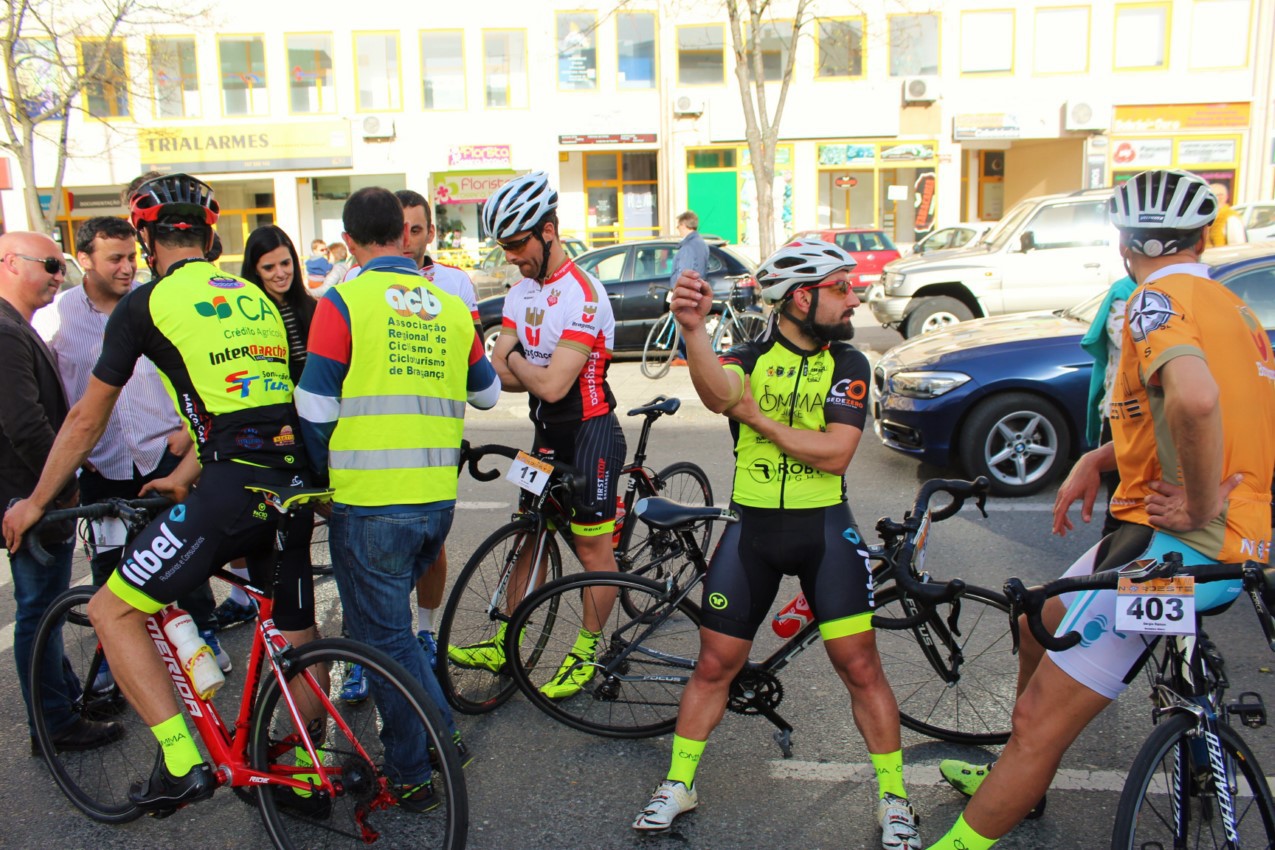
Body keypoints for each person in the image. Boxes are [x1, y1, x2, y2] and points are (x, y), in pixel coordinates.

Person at [929, 169, 1275, 850]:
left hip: (1173, 550)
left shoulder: (1152, 299)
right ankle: (1016, 778)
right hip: (1215, 542)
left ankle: (997, 798)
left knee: (1036, 721)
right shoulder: (1228, 307)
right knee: (1037, 613)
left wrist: (1200, 503)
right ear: (1202, 235)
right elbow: (1213, 413)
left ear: (1124, 244)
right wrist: (1098, 458)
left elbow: (1195, 401)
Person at [3, 173, 321, 814]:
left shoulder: (146, 303)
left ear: (148, 238)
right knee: (298, 637)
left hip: (233, 485)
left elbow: (86, 420)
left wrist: (37, 501)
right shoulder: (254, 297)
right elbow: (240, 402)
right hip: (291, 479)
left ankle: (181, 763)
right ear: (210, 236)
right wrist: (180, 478)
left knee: (110, 611)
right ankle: (304, 776)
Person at [631, 239, 921, 849]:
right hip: (753, 532)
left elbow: (836, 451)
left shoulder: (849, 363)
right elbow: (716, 393)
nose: (854, 297)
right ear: (800, 297)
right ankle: (679, 783)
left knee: (860, 666)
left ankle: (893, 799)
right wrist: (692, 331)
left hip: (823, 530)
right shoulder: (749, 354)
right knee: (715, 664)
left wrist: (760, 419)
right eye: (841, 288)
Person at [296, 187, 499, 806]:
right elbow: (486, 395)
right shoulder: (450, 306)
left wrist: (319, 478)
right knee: (387, 634)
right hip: (435, 500)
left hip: (369, 502)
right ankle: (442, 738)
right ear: (405, 236)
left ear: (350, 242)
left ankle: (415, 772)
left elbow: (313, 407)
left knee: (382, 642)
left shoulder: (344, 301)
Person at [448, 171, 626, 698]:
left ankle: (585, 652)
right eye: (503, 247)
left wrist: (517, 357)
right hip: (545, 435)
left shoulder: (585, 295)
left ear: (549, 230)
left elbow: (546, 382)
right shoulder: (520, 291)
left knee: (593, 554)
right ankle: (505, 636)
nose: (512, 257)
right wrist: (519, 365)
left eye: (517, 244)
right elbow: (498, 377)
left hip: (591, 434)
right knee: (528, 529)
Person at [53, 217, 229, 676]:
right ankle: (117, 660)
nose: (128, 268)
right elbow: (58, 390)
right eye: (115, 259)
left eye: (132, 256)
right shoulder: (60, 313)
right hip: (104, 464)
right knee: (111, 568)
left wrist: (185, 431)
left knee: (184, 560)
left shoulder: (159, 303)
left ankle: (202, 639)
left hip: (165, 456)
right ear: (84, 259)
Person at [0, 230, 125, 757]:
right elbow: (24, 425)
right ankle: (53, 724)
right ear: (9, 263)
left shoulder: (17, 328)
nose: (57, 274)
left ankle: (63, 703)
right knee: (41, 612)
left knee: (44, 608)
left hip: (33, 495)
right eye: (48, 264)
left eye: (59, 266)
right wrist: (65, 487)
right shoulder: (6, 332)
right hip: (31, 497)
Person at [1079, 274, 1136, 537]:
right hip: (1123, 415)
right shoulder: (1124, 293)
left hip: (1156, 420)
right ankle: (1107, 575)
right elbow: (1130, 343)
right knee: (1120, 510)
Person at [668, 210, 708, 365]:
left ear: (684, 225)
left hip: (687, 291)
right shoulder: (701, 243)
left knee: (684, 322)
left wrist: (676, 289)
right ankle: (686, 356)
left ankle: (685, 357)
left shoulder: (688, 246)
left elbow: (683, 271)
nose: (678, 229)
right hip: (697, 289)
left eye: (678, 226)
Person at [1207, 182, 1247, 247]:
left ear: (1225, 197)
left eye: (1220, 195)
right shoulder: (1208, 216)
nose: (1218, 198)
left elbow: (1237, 246)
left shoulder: (1231, 218)